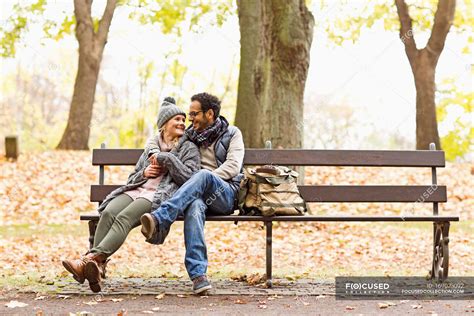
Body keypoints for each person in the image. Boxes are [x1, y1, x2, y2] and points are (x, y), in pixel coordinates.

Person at [62, 97, 200, 293]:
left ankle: (88, 261)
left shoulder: (189, 148)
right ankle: (97, 268)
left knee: (124, 218)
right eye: (176, 119)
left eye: (182, 120)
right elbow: (133, 176)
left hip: (159, 196)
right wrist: (144, 173)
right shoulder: (151, 147)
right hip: (138, 189)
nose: (181, 123)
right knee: (109, 212)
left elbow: (190, 179)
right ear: (164, 124)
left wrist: (169, 160)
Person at [140, 92, 245, 294]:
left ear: (210, 114)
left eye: (194, 114)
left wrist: (205, 180)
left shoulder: (232, 133)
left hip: (225, 193)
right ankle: (198, 276)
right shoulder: (190, 135)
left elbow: (233, 167)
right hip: (196, 195)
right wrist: (154, 153)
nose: (190, 119)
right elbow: (157, 138)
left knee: (204, 176)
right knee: (195, 206)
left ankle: (160, 217)